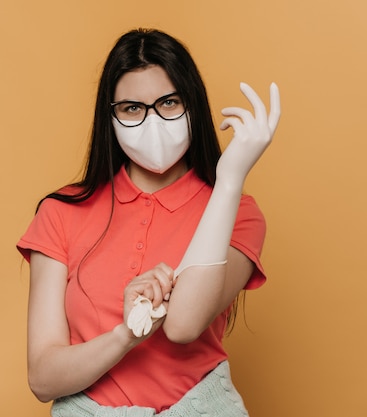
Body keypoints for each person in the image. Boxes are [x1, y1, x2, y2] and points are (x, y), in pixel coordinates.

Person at [17, 28, 280, 416]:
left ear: (193, 104)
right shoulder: (61, 212)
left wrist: (229, 179)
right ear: (111, 115)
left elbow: (183, 325)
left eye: (169, 102)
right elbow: (43, 378)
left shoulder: (238, 212)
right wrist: (125, 336)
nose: (152, 121)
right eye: (132, 108)